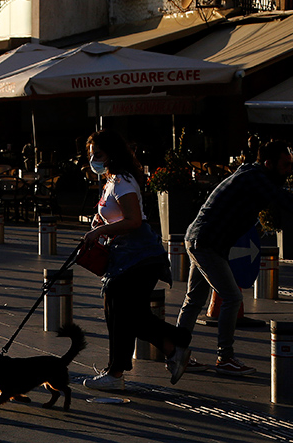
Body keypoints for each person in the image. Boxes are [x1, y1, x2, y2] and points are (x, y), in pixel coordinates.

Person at [177, 140, 293, 376]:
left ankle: (177, 354)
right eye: (285, 165)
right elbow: (285, 201)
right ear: (268, 164)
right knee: (232, 297)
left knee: (194, 300)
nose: (290, 171)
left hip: (201, 239)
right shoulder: (254, 178)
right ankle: (225, 357)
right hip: (206, 243)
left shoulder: (251, 175)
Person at [81, 129, 192, 391]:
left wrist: (99, 231)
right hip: (127, 256)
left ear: (112, 153)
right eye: (90, 154)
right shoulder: (112, 180)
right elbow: (119, 215)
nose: (93, 159)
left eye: (98, 154)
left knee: (119, 311)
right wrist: (102, 221)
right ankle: (173, 349)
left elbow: (133, 220)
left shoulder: (122, 181)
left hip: (138, 257)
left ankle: (116, 372)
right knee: (129, 314)